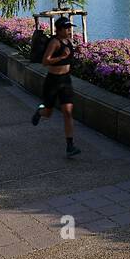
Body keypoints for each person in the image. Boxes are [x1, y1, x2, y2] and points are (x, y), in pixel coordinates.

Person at [31, 17, 81, 158]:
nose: (69, 30)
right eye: (66, 28)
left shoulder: (69, 41)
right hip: (53, 81)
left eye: (69, 27)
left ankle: (70, 146)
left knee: (68, 112)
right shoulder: (54, 42)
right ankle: (39, 112)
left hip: (66, 80)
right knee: (48, 113)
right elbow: (45, 61)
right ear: (58, 30)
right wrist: (60, 58)